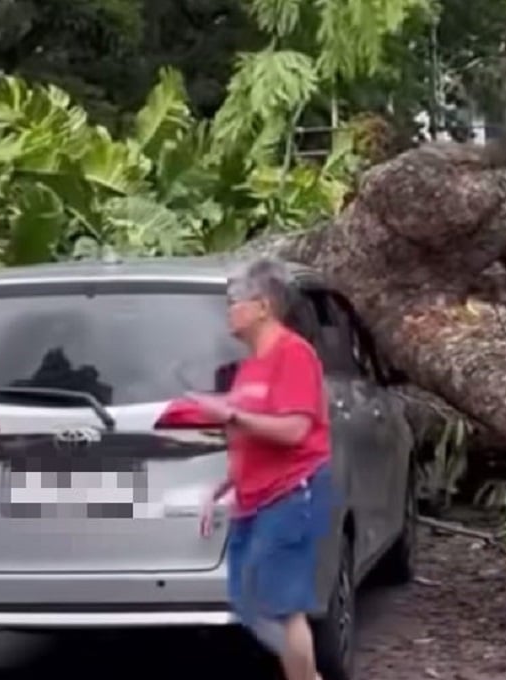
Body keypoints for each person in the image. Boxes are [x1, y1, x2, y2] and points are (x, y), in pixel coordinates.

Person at [185, 257, 333, 680]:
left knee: (282, 607)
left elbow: (293, 431)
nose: (228, 309)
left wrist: (228, 415)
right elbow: (256, 438)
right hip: (254, 497)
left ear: (263, 306)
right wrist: (223, 485)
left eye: (236, 300)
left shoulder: (294, 354)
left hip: (289, 494)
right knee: (251, 602)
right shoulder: (252, 365)